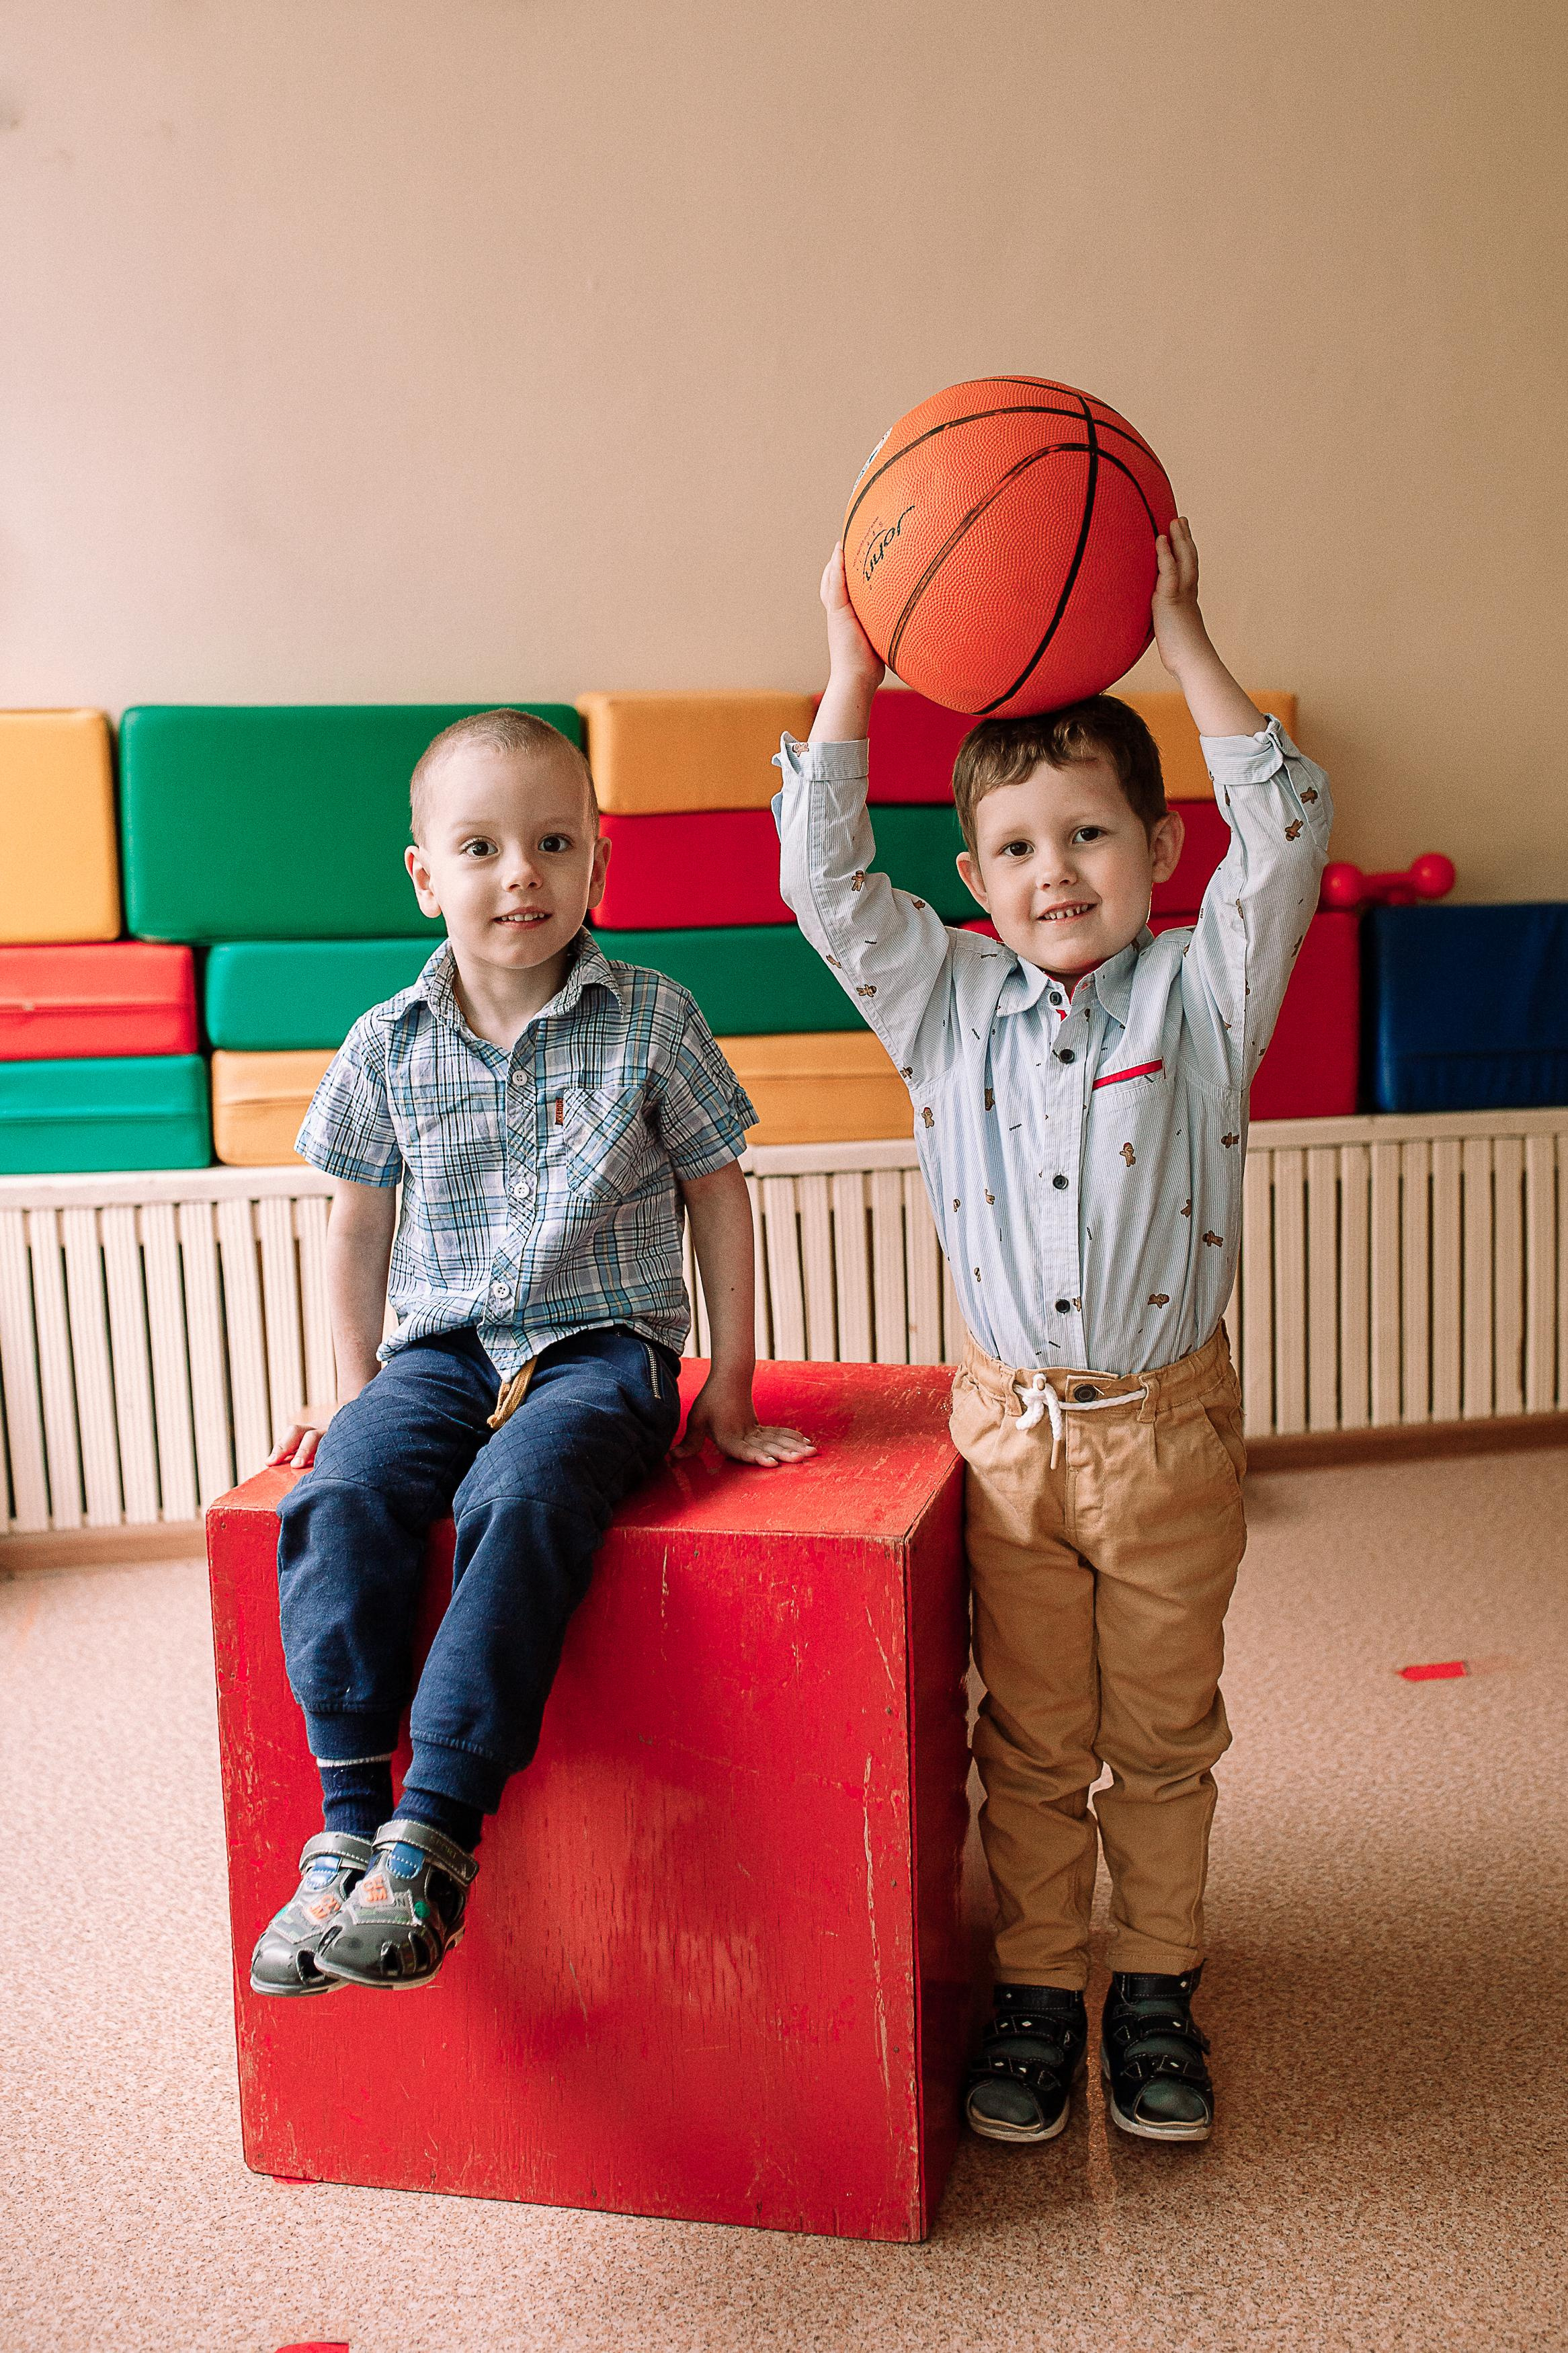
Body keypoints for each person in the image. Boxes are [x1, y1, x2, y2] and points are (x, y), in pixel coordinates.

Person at [779, 522, 1331, 2142]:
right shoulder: (941, 999)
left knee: (1160, 1734)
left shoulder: (1207, 994)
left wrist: (1181, 634)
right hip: (1010, 1439)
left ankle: (1153, 1984)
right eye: (1016, 848)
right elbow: (822, 877)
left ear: (1161, 848)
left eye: (1092, 833)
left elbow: (1287, 835)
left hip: (1166, 1433)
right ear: (974, 882)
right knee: (1028, 1739)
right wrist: (854, 667)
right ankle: (1039, 1987)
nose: (1057, 873)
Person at [251, 707, 813, 1998]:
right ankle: (344, 1824)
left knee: (523, 1490)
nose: (521, 874)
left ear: (598, 865)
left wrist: (722, 1385)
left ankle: (435, 1833)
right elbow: (354, 1226)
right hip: (439, 1353)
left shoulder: (654, 1020)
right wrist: (352, 1401)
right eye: (483, 847)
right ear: (424, 874)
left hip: (599, 1350)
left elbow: (716, 1190)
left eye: (553, 843)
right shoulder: (385, 1043)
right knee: (341, 1492)